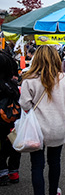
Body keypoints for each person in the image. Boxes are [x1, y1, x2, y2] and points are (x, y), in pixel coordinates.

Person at [20, 46, 65, 195]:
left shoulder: (29, 80)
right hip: (58, 127)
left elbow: (25, 104)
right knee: (55, 161)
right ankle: (52, 194)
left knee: (37, 166)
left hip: (37, 129)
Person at [0, 51, 21, 186]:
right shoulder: (12, 84)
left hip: (1, 119)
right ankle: (13, 172)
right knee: (14, 142)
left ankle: (2, 173)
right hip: (13, 118)